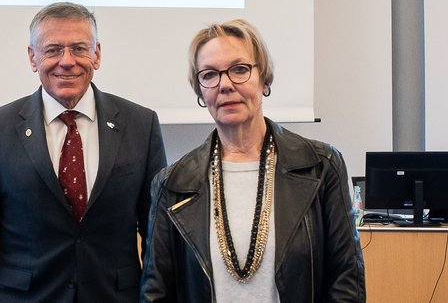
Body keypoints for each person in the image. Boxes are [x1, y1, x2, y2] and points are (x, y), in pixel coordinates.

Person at [140, 19, 366, 302]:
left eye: (239, 69)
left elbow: (347, 282)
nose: (225, 85)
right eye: (209, 75)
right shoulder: (172, 182)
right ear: (200, 92)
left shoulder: (321, 166)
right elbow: (156, 292)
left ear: (265, 80)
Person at [0, 2, 167, 302]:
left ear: (97, 54)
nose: (67, 61)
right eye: (52, 50)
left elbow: (158, 239)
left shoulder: (142, 125)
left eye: (79, 48)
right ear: (32, 57)